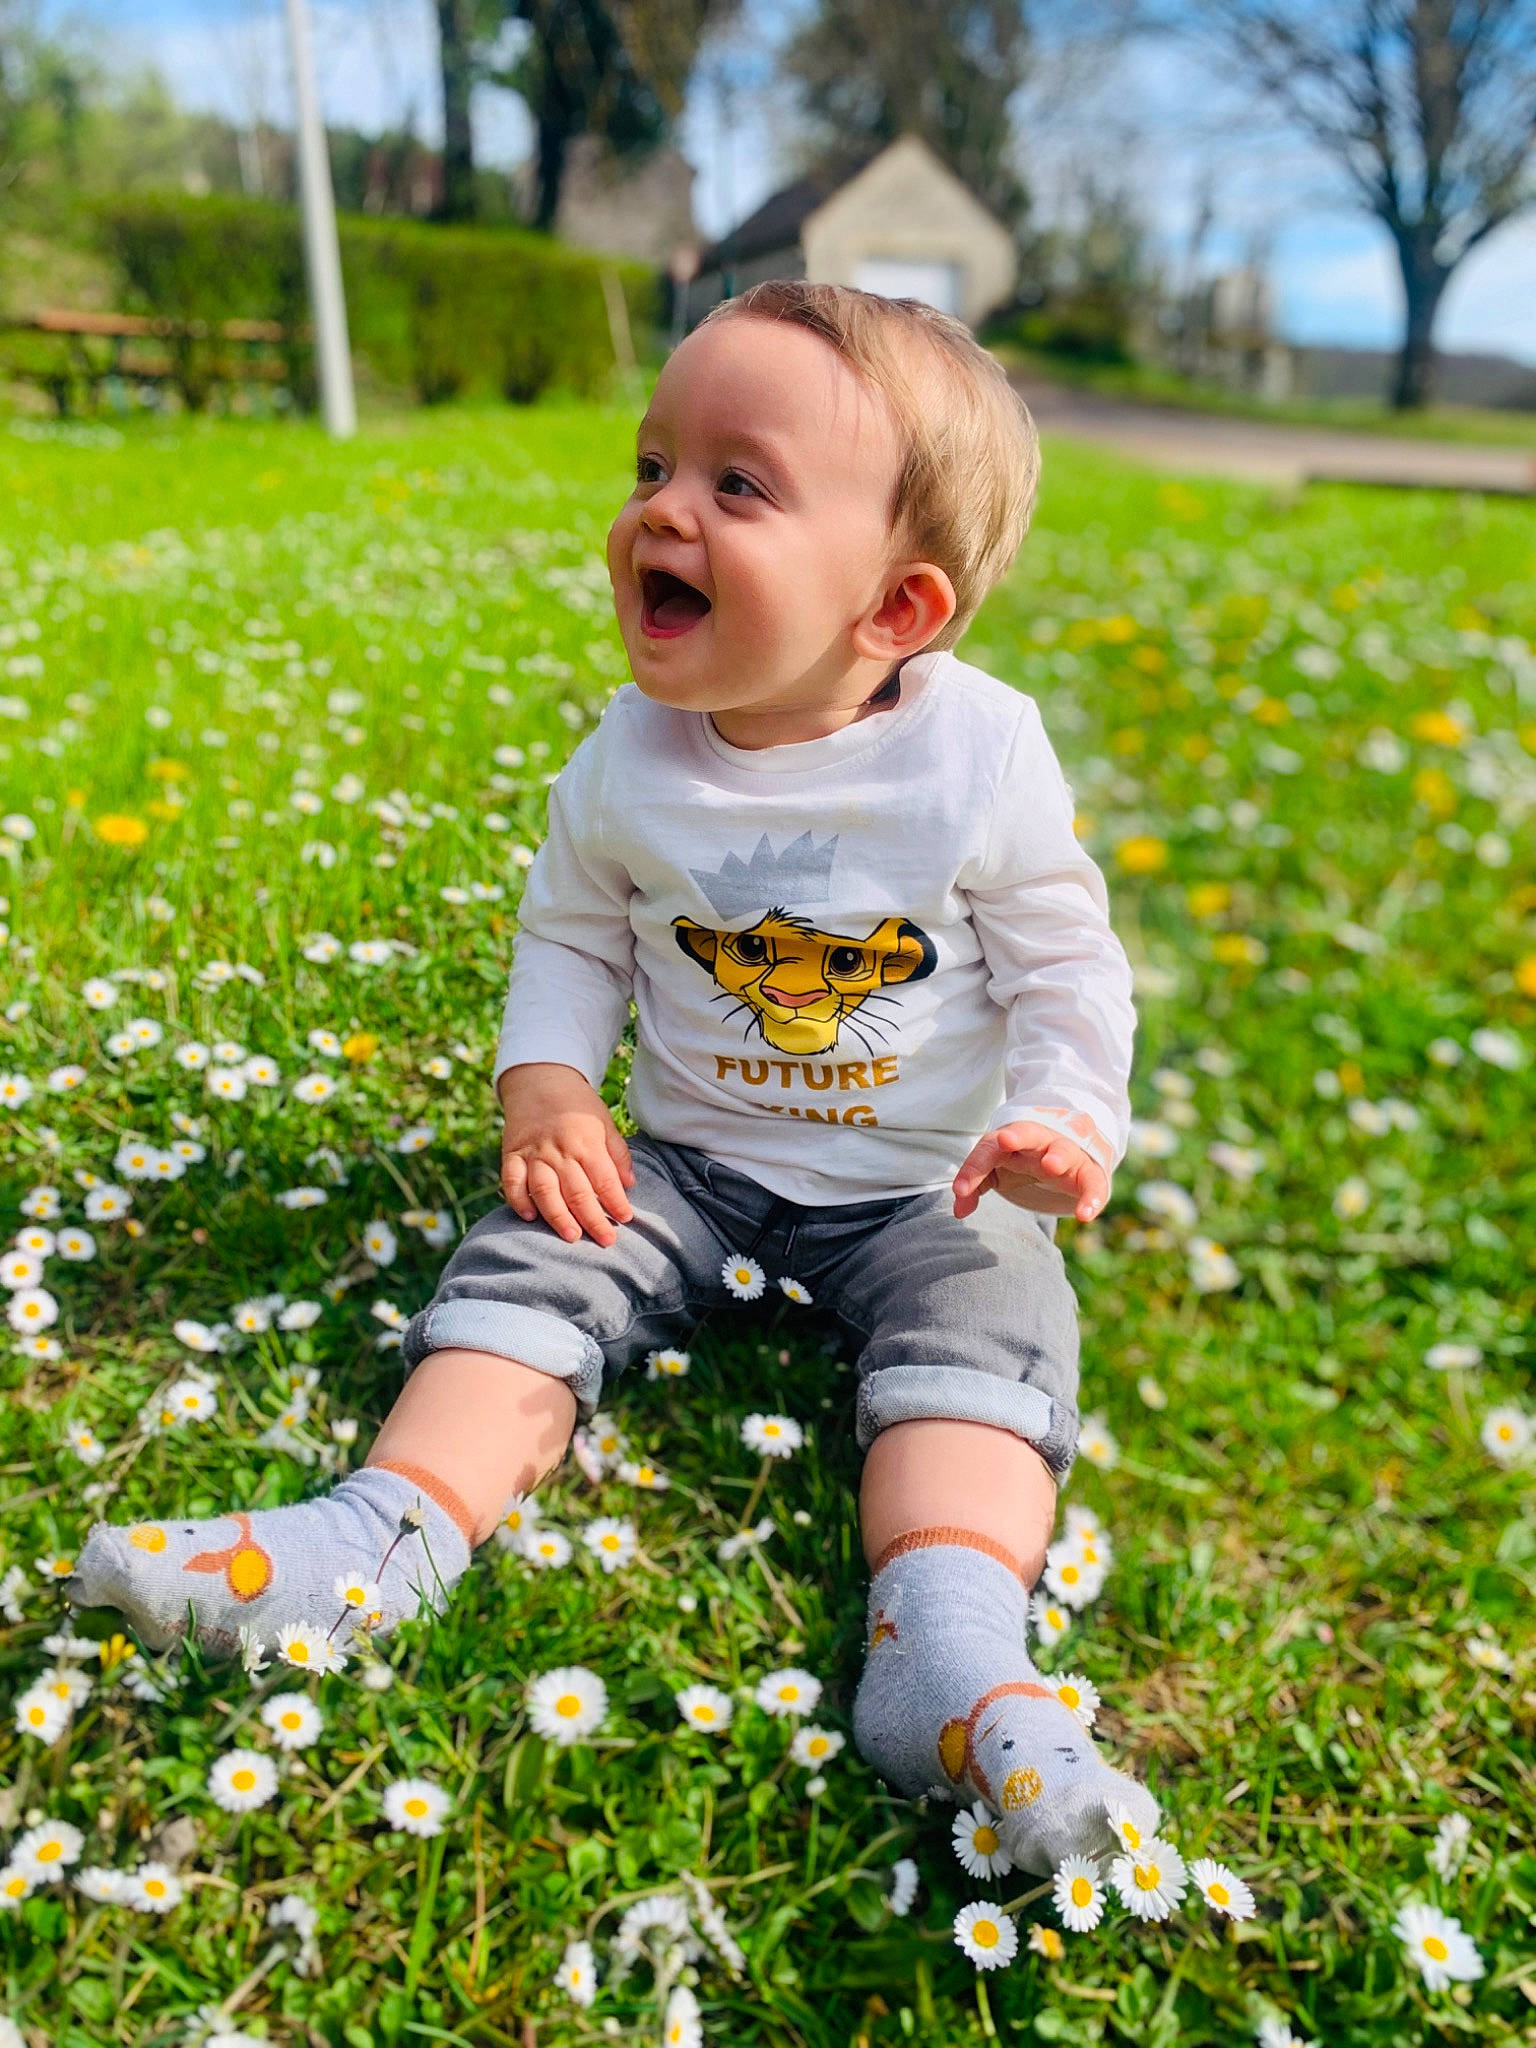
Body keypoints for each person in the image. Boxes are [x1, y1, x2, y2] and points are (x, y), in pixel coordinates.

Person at [71, 281, 1159, 1875]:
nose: (660, 509)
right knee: (536, 1253)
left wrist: (1066, 1118)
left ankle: (946, 1641)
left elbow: (1069, 959)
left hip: (926, 1186)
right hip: (685, 1167)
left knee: (991, 1324)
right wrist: (551, 1090)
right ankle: (379, 1541)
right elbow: (573, 934)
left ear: (898, 611)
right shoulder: (627, 756)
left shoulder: (979, 756)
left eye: (738, 483)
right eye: (654, 465)